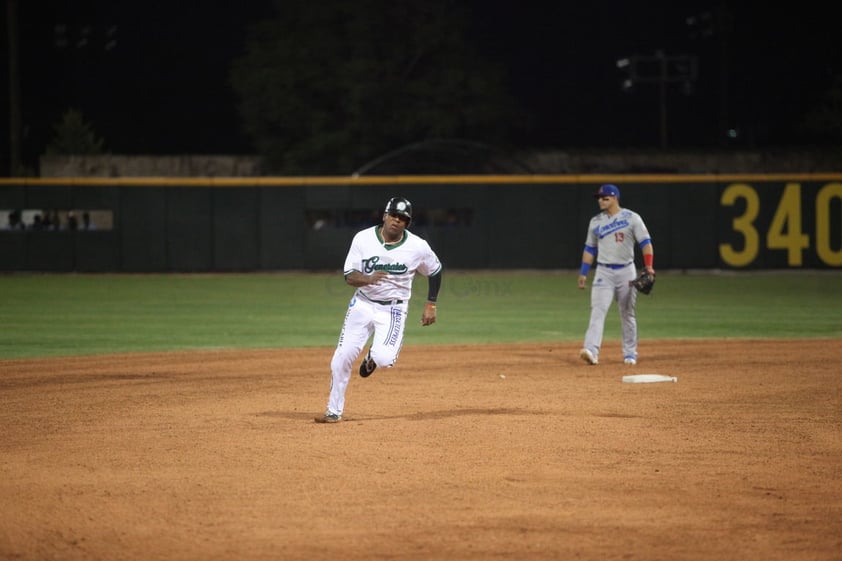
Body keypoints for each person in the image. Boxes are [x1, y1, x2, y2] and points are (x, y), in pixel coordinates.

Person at [316, 196, 443, 423]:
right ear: (385, 215)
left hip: (393, 310)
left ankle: (372, 358)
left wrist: (431, 304)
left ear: (407, 223)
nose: (397, 221)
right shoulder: (363, 239)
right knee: (341, 357)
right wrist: (368, 279)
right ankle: (333, 411)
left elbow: (435, 270)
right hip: (362, 304)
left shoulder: (418, 247)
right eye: (394, 215)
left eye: (403, 218)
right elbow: (349, 276)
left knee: (384, 360)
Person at [577, 184, 654, 366]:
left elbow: (645, 242)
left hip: (626, 271)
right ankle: (591, 350)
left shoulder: (631, 218)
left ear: (615, 198)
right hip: (603, 271)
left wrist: (649, 266)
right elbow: (589, 248)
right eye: (599, 198)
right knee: (597, 311)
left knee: (627, 313)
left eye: (605, 198)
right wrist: (583, 272)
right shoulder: (595, 222)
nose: (600, 201)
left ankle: (630, 353)